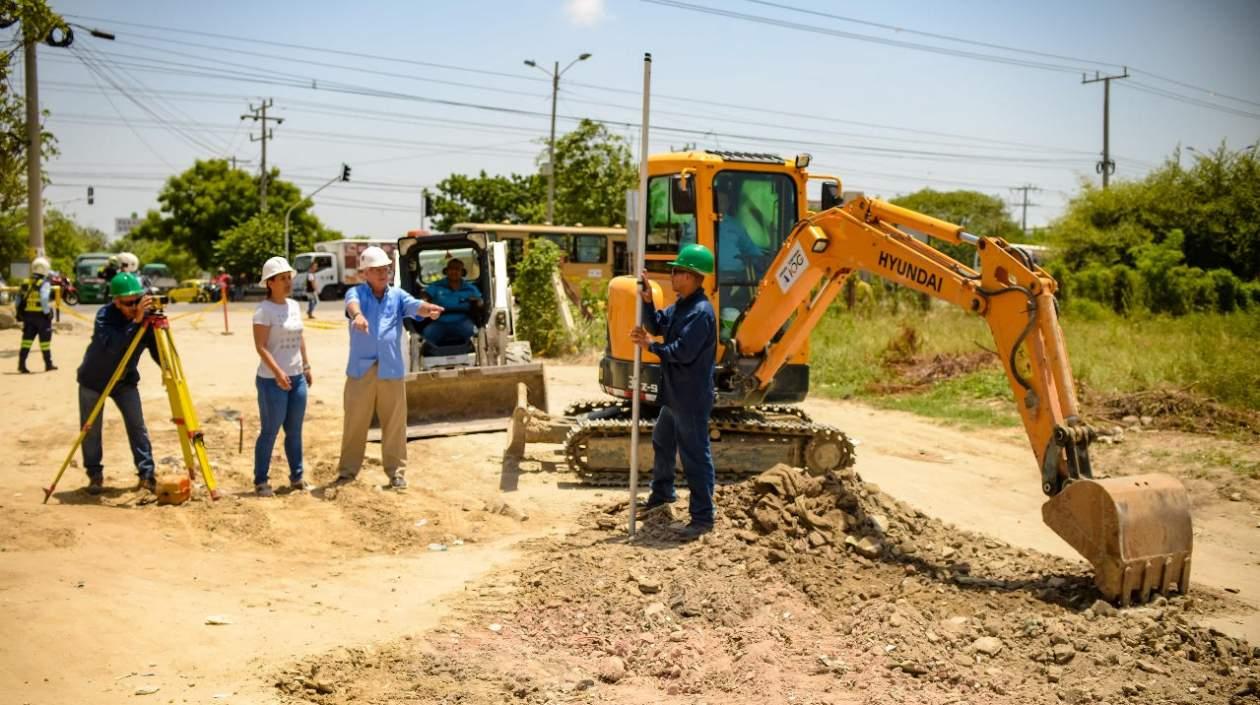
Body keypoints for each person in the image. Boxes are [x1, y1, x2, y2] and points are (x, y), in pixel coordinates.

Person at [629, 243, 719, 540]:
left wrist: (649, 346)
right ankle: (662, 494)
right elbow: (658, 324)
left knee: (694, 456)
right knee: (663, 440)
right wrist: (647, 301)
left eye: (677, 271)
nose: (672, 275)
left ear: (691, 276)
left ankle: (702, 518)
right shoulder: (682, 305)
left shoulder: (700, 313)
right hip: (675, 393)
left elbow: (682, 352)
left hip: (690, 396)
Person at [334, 246, 442, 490]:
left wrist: (429, 310)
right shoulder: (356, 293)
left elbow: (415, 305)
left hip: (391, 369)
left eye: (385, 269)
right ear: (365, 273)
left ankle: (396, 473)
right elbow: (352, 305)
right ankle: (347, 472)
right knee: (355, 423)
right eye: (376, 270)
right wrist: (358, 316)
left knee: (394, 424)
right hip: (361, 371)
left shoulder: (397, 296)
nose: (383, 273)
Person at [76, 272, 160, 494]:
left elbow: (156, 348)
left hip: (124, 381)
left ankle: (147, 474)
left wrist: (168, 368)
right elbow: (115, 345)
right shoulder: (104, 316)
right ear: (116, 301)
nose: (134, 306)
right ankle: (94, 475)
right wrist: (136, 321)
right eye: (128, 303)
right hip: (94, 381)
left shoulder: (145, 317)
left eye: (137, 301)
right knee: (91, 429)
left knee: (137, 426)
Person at [251, 256, 313, 497]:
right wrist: (278, 373)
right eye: (282, 279)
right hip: (271, 381)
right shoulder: (263, 311)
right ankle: (261, 480)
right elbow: (261, 346)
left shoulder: (294, 306)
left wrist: (306, 366)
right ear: (270, 283)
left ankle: (297, 477)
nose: (288, 282)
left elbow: (300, 338)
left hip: (297, 378)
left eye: (289, 278)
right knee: (270, 431)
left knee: (294, 431)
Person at [421, 258, 482, 345]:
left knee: (476, 336)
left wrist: (477, 301)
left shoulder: (470, 288)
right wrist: (424, 300)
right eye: (451, 269)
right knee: (426, 335)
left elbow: (480, 302)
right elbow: (425, 297)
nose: (454, 271)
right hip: (439, 321)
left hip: (463, 321)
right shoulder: (437, 286)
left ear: (462, 272)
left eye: (457, 269)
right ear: (446, 271)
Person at [17, 257, 56, 373]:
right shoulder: (44, 283)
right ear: (45, 269)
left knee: (26, 341)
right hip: (41, 317)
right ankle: (48, 364)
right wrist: (47, 313)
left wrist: (20, 313)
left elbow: (18, 300)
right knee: (45, 342)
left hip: (28, 316)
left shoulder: (25, 282)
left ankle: (21, 364)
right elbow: (44, 299)